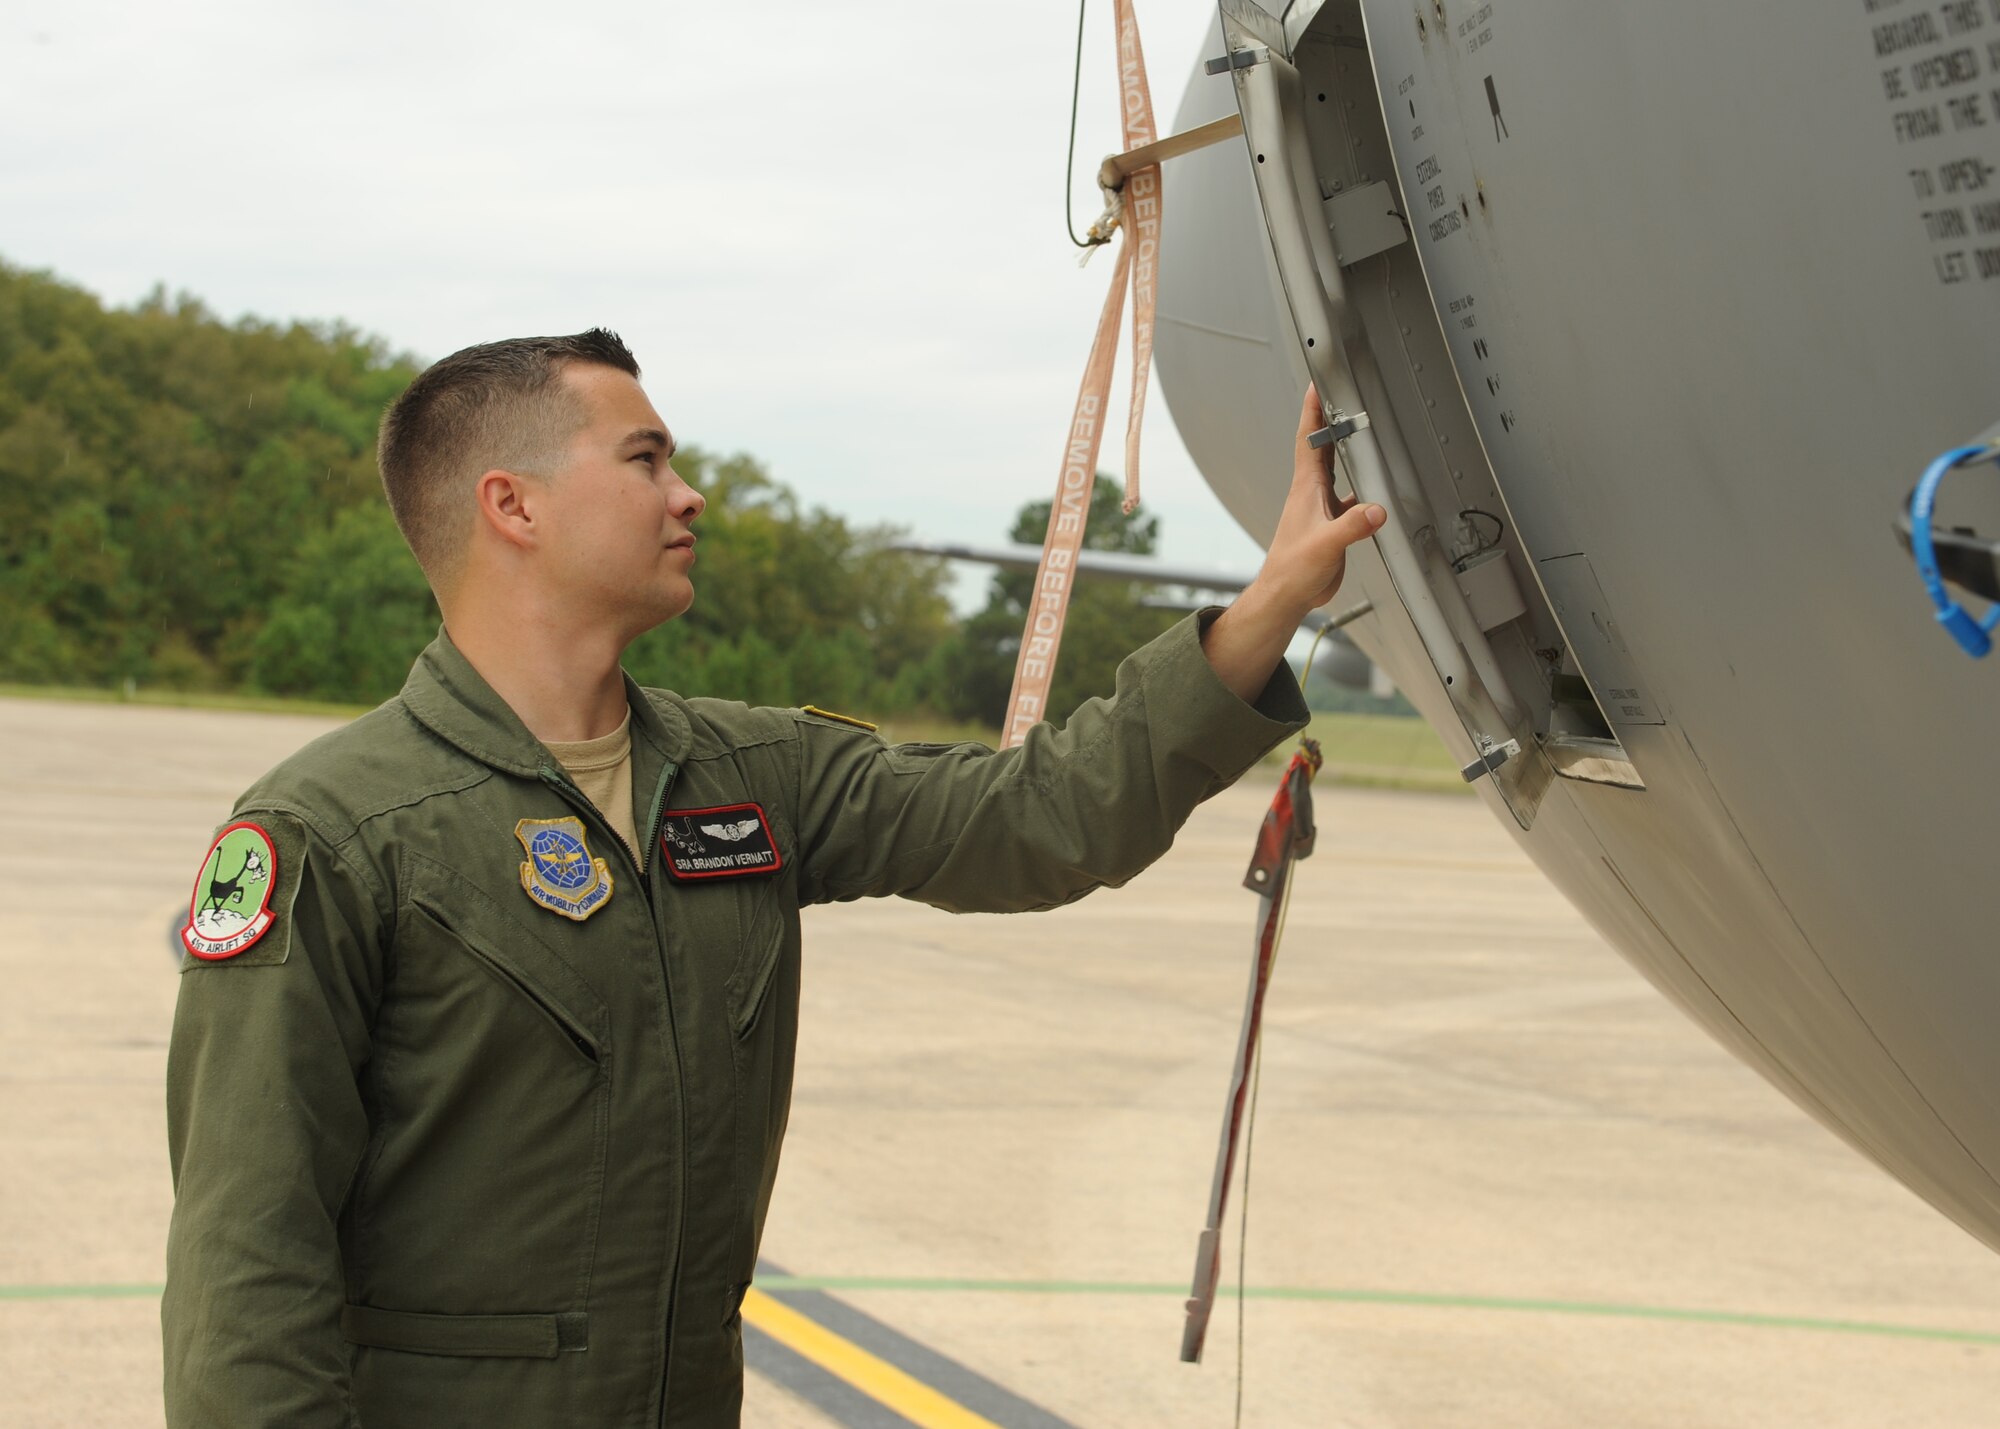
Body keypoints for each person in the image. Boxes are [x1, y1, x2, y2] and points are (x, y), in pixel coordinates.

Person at [160, 329, 1387, 1428]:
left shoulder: (751, 777)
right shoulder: (328, 833)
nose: (688, 495)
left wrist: (1275, 593)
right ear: (511, 505)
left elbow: (1046, 818)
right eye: (643, 460)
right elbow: (245, 1278)